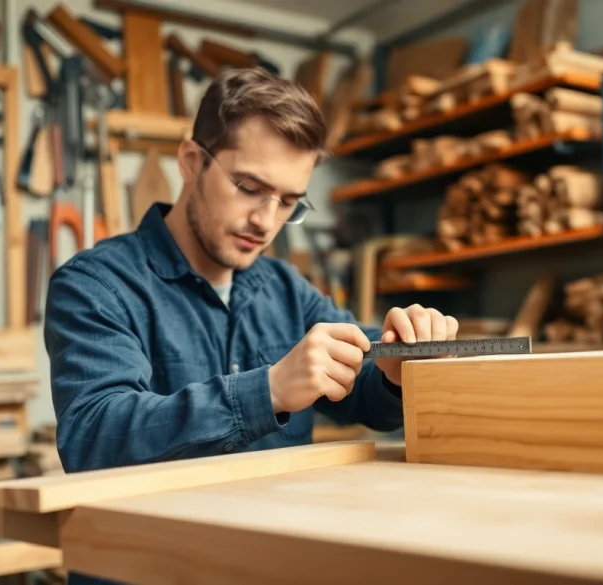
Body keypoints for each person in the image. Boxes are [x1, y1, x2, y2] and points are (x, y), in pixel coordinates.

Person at [43, 66, 460, 480]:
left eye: (288, 202)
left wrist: (397, 370)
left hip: (279, 538)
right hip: (162, 543)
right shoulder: (96, 286)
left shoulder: (287, 291)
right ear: (191, 162)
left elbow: (370, 397)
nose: (266, 221)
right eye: (249, 187)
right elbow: (92, 436)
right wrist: (270, 391)